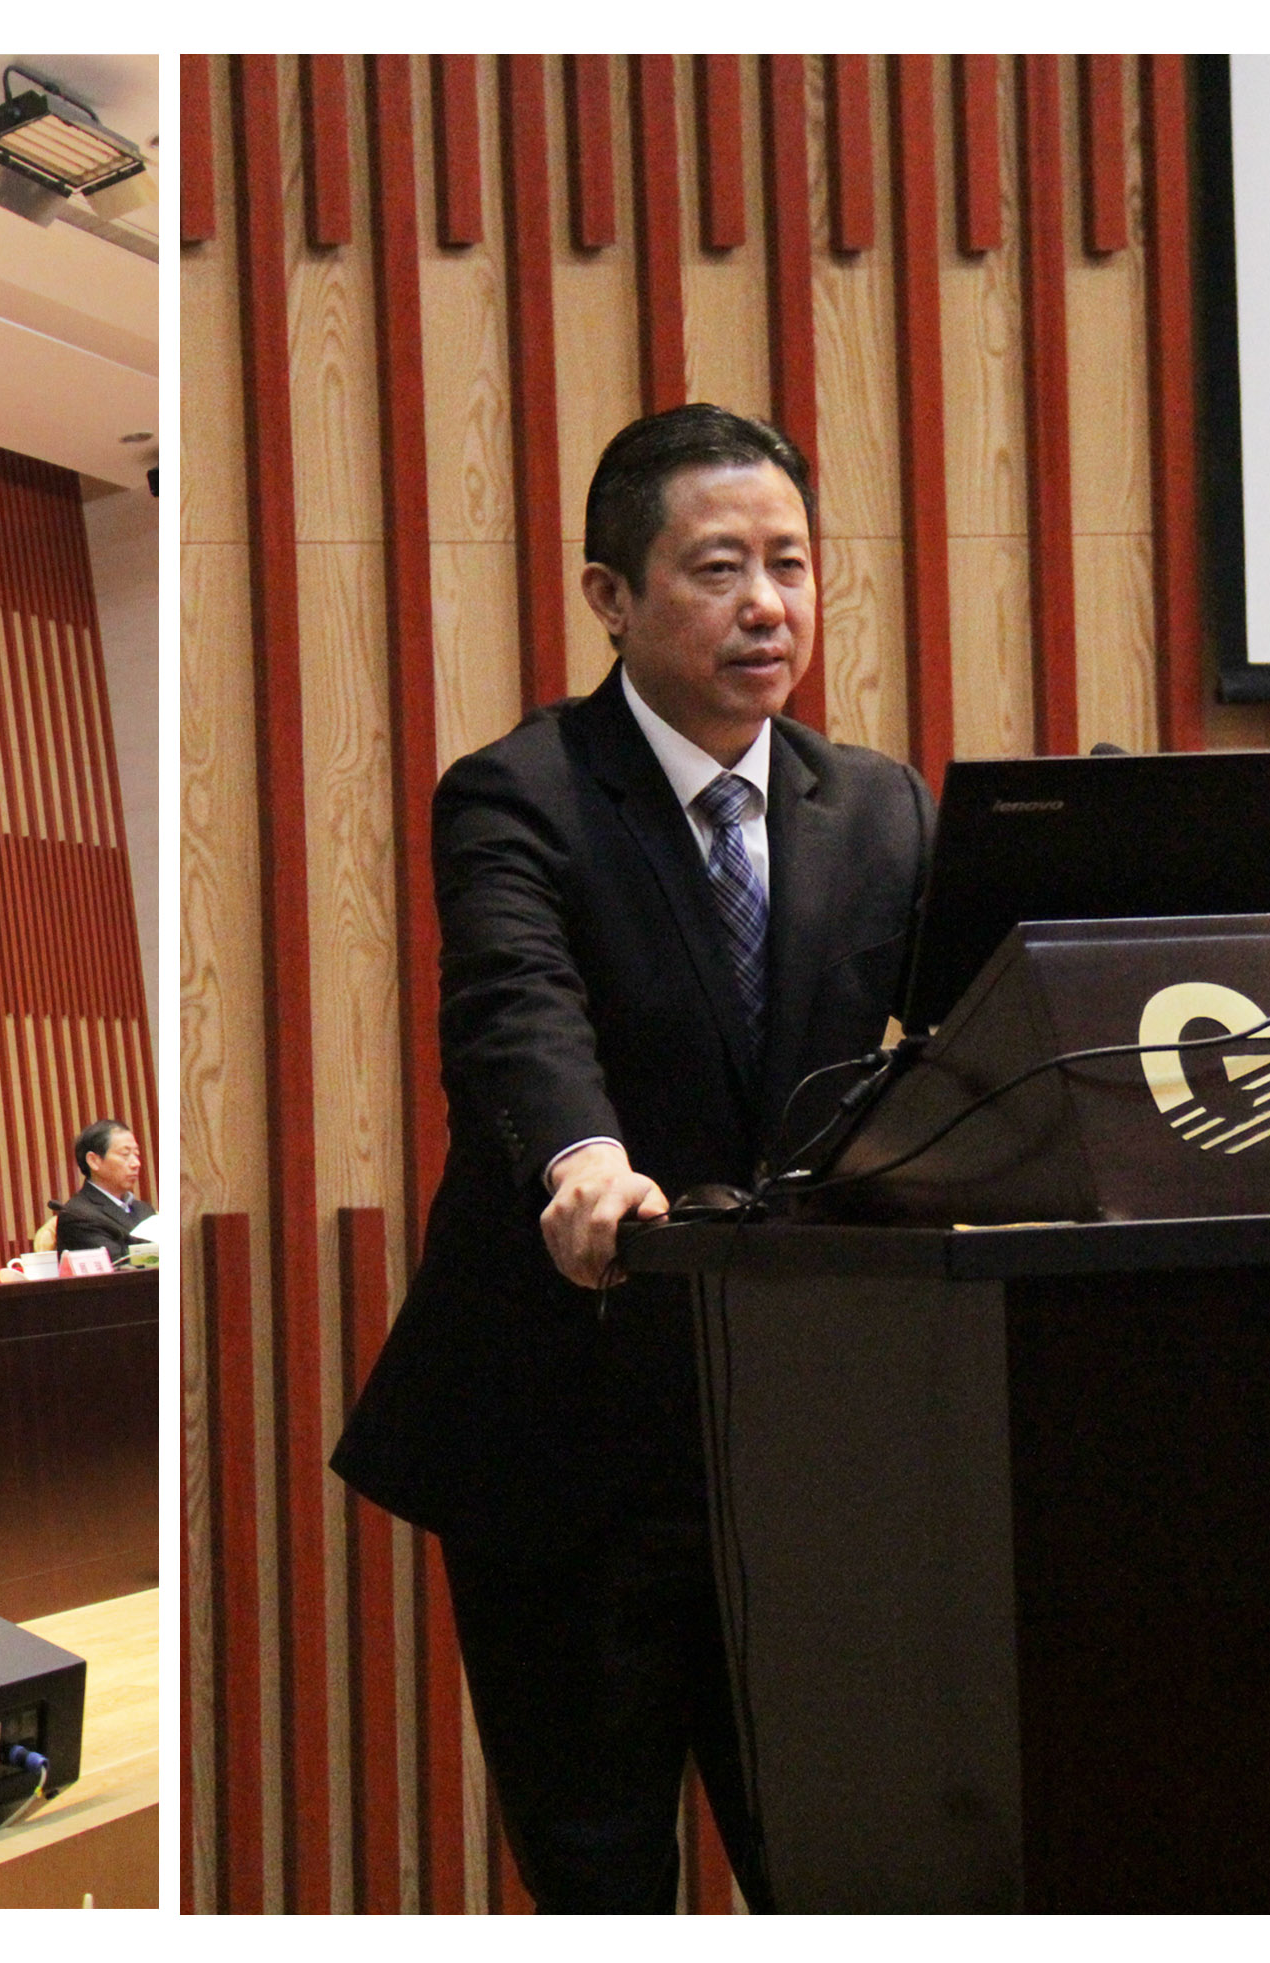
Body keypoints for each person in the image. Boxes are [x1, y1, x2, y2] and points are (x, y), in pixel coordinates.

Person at [331, 405, 932, 1912]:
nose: (768, 605)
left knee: (839, 1867)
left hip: (794, 1445)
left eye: (791, 563)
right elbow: (514, 1008)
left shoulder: (878, 806)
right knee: (601, 1878)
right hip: (567, 1429)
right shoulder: (519, 790)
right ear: (609, 593)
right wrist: (584, 1155)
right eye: (719, 568)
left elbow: (987, 1034)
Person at [53, 1119, 153, 1258]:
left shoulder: (145, 1210)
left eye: (136, 1154)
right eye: (125, 1155)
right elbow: (119, 1264)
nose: (136, 1163)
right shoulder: (78, 1216)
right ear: (94, 1161)